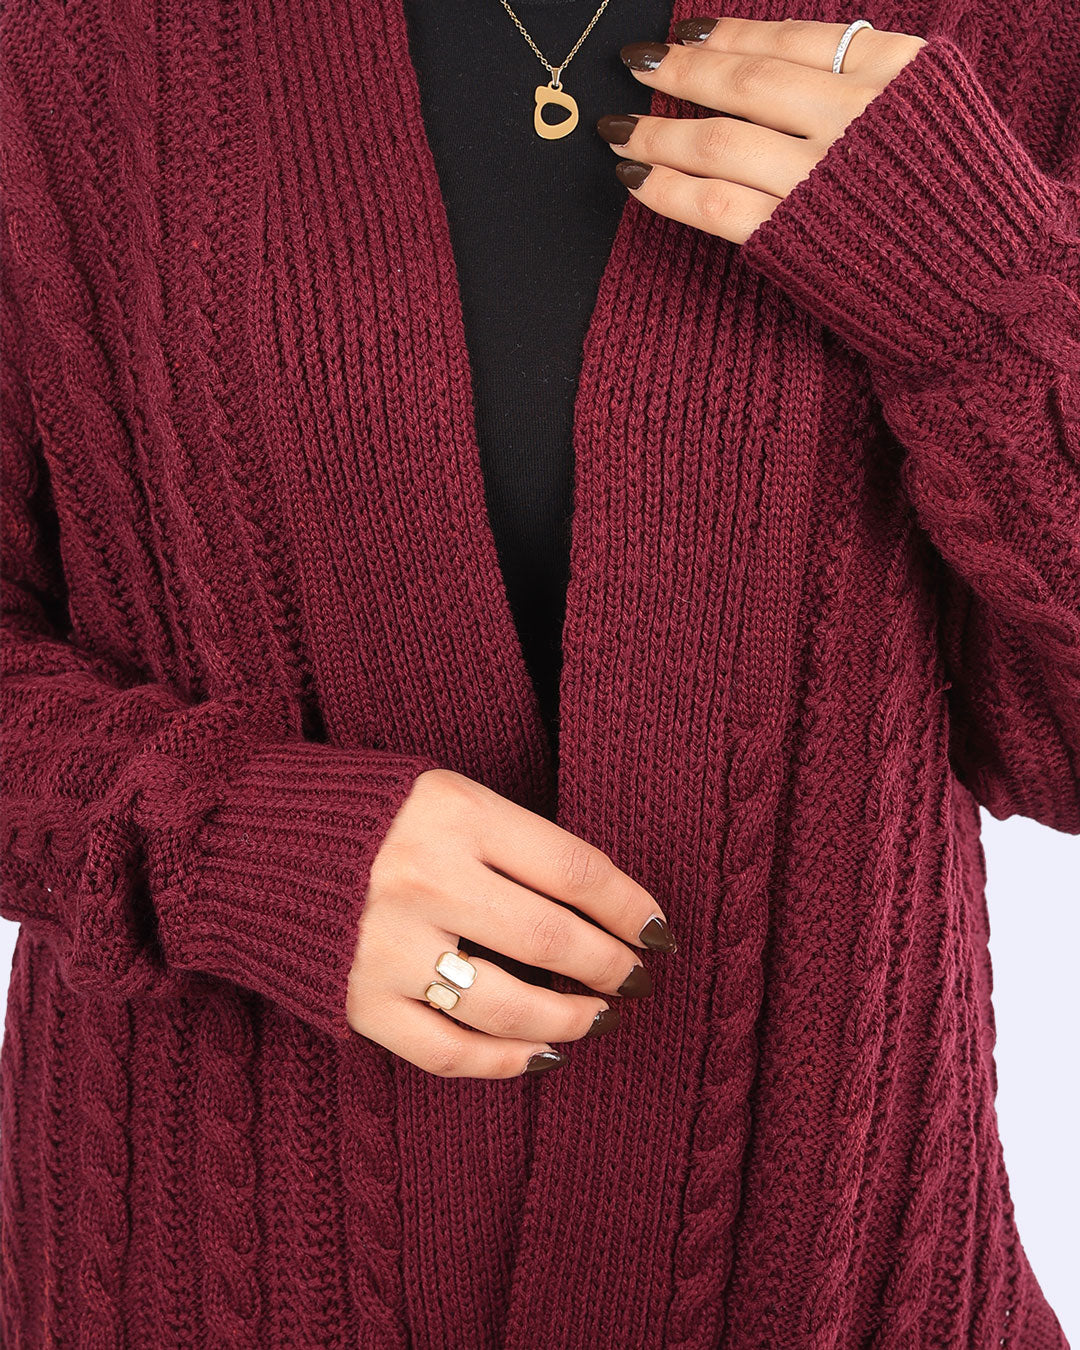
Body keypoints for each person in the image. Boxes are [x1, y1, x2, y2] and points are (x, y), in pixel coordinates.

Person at [1, 0, 1076, 1345]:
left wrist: (995, 308)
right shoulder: (67, 38)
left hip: (836, 1282)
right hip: (210, 1273)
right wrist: (217, 841)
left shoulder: (1016, 32)